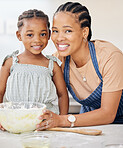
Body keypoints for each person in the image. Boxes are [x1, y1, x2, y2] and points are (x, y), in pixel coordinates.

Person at [36, 2, 123, 130]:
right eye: (55, 31)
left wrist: (62, 120)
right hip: (88, 121)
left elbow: (108, 113)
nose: (59, 38)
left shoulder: (110, 56)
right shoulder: (58, 61)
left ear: (84, 32)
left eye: (68, 31)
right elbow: (37, 89)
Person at [0, 9, 69, 115]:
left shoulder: (52, 65)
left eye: (42, 34)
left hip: (44, 121)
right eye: (30, 35)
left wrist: (62, 119)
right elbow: (0, 92)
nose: (37, 40)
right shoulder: (10, 62)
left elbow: (62, 94)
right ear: (19, 35)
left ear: (49, 34)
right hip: (15, 119)